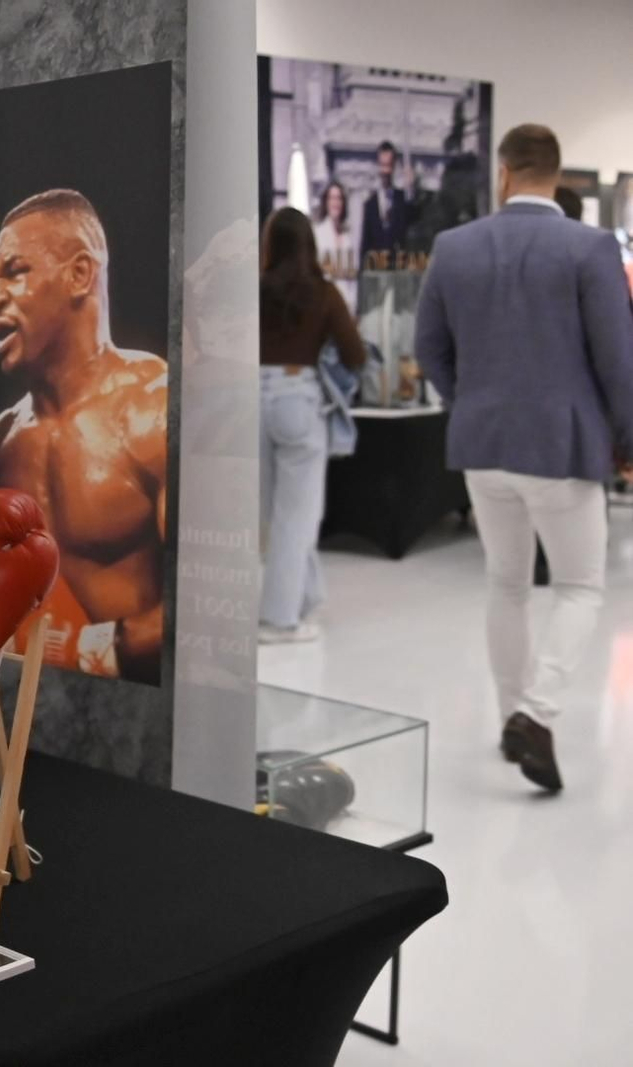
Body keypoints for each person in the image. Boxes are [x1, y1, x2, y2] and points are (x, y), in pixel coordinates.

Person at [416, 123, 633, 793]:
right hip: (563, 448)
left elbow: (429, 346)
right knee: (578, 585)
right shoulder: (590, 247)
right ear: (557, 176)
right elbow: (618, 361)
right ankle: (535, 715)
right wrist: (625, 442)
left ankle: (512, 712)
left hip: (484, 447)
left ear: (504, 174)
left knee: (506, 583)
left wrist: (472, 399)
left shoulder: (455, 246)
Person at [0, 190, 168, 683]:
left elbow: (209, 602)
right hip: (30, 708)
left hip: (143, 714)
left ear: (79, 275)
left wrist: (92, 651)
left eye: (15, 272)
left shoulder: (153, 410)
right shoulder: (3, 442)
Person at [257, 207, 367, 644]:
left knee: (274, 515)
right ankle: (280, 620)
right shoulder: (323, 294)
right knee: (297, 517)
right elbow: (355, 354)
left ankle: (307, 597)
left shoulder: (252, 290)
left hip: (249, 400)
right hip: (298, 399)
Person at [360, 140, 412, 272]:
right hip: (377, 274)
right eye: (383, 165)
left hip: (399, 272)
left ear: (394, 166)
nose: (386, 171)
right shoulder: (370, 205)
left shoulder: (403, 200)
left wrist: (412, 188)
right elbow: (365, 245)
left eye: (389, 165)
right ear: (377, 165)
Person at [313, 179, 358, 311]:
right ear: (326, 202)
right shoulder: (318, 234)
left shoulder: (347, 238)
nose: (336, 203)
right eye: (332, 198)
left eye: (339, 199)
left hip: (346, 306)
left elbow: (352, 278)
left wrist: (353, 307)